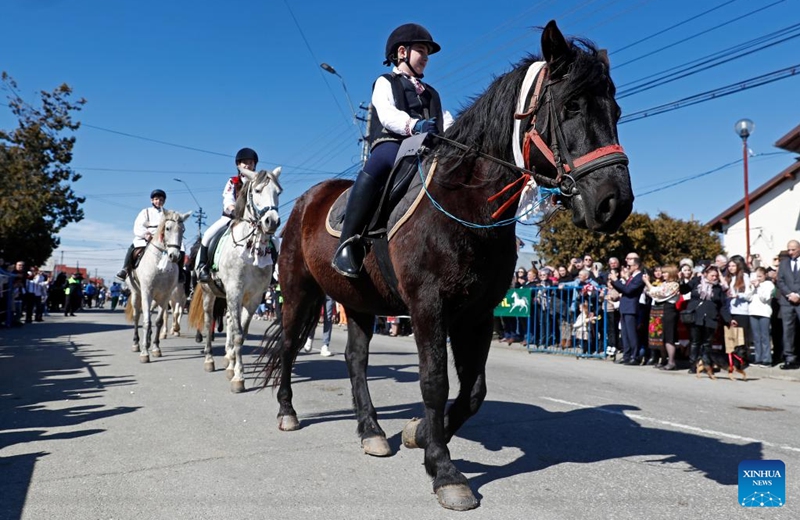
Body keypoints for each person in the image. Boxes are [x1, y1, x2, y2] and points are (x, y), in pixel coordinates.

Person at [332, 23, 445, 277]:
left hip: (427, 149)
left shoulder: (432, 93)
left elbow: (446, 120)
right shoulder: (385, 82)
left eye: (427, 53)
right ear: (402, 52)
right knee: (383, 160)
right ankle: (347, 243)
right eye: (421, 51)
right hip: (393, 142)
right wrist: (415, 124)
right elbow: (387, 114)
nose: (426, 57)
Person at [196, 147, 258, 282]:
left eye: (250, 162)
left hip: (252, 220)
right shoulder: (233, 181)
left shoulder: (258, 182)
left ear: (254, 165)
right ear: (238, 165)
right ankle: (203, 266)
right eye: (244, 162)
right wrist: (234, 210)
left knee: (275, 242)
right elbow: (228, 199)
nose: (247, 165)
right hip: (231, 217)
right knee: (208, 235)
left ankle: (270, 273)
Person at [680, 265, 732, 374]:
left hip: (711, 318)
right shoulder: (696, 282)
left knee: (707, 344)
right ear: (705, 274)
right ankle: (693, 365)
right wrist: (681, 280)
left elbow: (722, 306)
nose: (714, 278)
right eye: (712, 275)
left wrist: (728, 319)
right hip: (696, 316)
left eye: (716, 276)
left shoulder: (718, 288)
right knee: (695, 342)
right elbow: (684, 290)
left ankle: (706, 365)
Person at [117, 189, 170, 280]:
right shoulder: (146, 211)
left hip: (162, 237)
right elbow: (138, 225)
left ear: (164, 201)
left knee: (179, 248)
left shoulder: (168, 213)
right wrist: (146, 234)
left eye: (161, 200)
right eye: (156, 199)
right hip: (147, 236)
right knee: (134, 247)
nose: (158, 201)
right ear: (152, 200)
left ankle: (180, 273)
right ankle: (125, 269)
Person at [609, 253, 645, 365]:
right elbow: (622, 289)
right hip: (625, 307)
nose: (628, 268)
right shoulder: (632, 277)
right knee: (624, 334)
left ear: (636, 266)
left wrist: (616, 281)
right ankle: (626, 355)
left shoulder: (640, 277)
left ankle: (635, 356)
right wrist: (614, 282)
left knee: (631, 334)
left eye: (630, 265)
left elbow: (628, 290)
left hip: (632, 307)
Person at [643, 266, 680, 370]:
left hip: (668, 310)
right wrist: (650, 288)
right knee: (659, 338)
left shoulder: (675, 285)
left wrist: (647, 283)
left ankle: (671, 361)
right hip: (657, 310)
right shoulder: (664, 284)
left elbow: (660, 293)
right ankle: (663, 359)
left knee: (668, 337)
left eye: (665, 273)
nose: (663, 275)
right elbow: (651, 293)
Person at [776, 239, 800, 370]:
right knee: (788, 331)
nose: (790, 252)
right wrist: (789, 294)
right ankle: (790, 358)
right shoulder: (784, 263)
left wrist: (798, 295)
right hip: (787, 301)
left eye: (793, 249)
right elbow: (780, 281)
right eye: (789, 249)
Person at [745, 267, 775, 366]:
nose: (757, 278)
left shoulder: (769, 285)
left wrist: (759, 287)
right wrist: (750, 288)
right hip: (753, 312)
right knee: (756, 337)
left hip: (764, 313)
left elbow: (765, 298)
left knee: (764, 336)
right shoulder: (753, 285)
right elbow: (747, 297)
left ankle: (767, 359)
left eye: (760, 276)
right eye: (756, 276)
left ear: (765, 275)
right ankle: (758, 358)